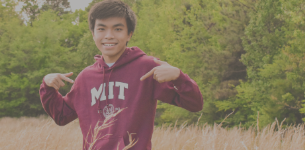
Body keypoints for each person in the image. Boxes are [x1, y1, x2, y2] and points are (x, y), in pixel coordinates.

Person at [38, 1, 204, 149]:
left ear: (129, 34)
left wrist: (179, 77)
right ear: (93, 34)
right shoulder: (85, 77)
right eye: (101, 29)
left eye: (118, 29)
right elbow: (61, 116)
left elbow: (194, 104)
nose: (109, 35)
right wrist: (47, 86)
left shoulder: (147, 67)